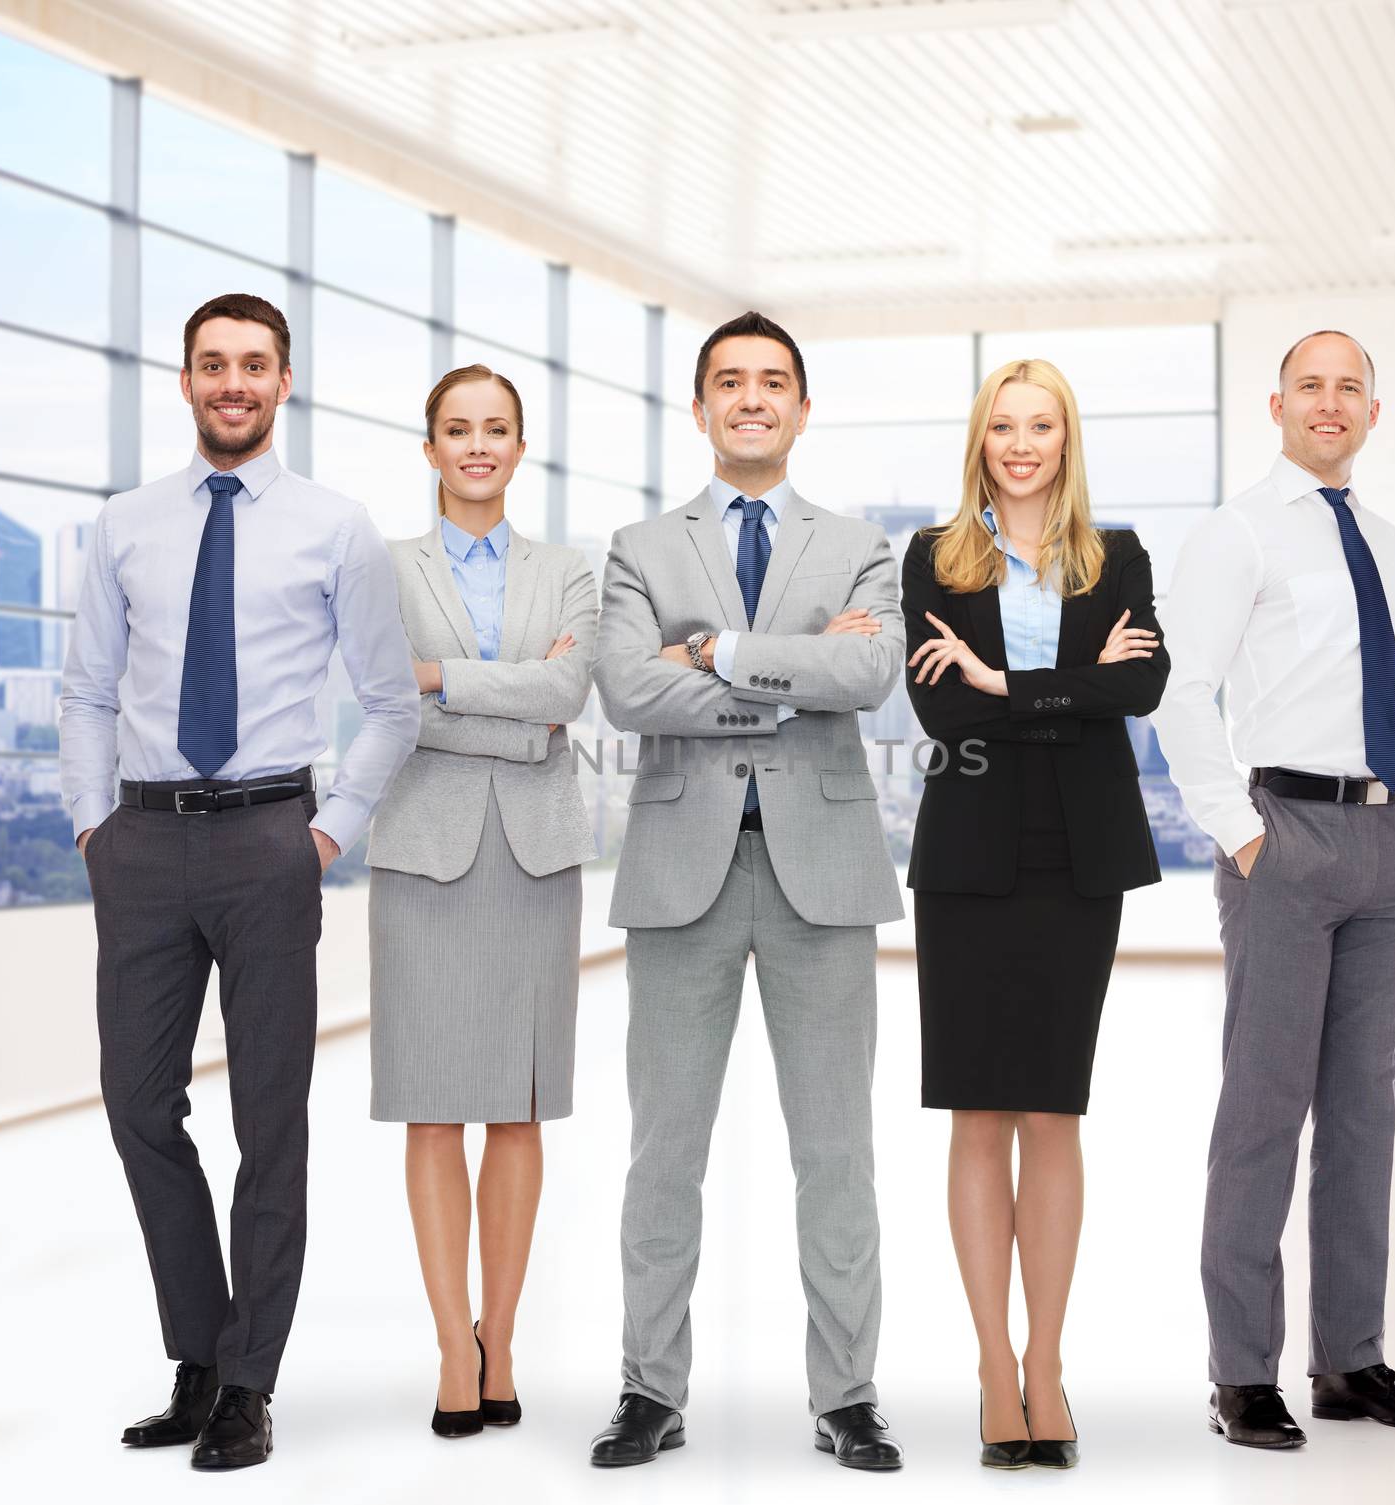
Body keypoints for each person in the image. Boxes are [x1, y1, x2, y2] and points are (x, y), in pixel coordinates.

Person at [57, 293, 419, 1470]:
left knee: (271, 1120)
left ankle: (249, 1379)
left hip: (271, 837)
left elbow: (389, 700)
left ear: (284, 380)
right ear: (185, 379)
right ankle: (197, 1352)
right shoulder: (124, 524)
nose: (233, 382)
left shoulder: (337, 527)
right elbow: (87, 694)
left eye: (253, 364)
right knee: (137, 1104)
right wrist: (91, 829)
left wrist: (327, 834)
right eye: (213, 363)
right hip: (145, 844)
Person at [587, 311, 906, 1471]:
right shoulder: (638, 542)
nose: (753, 398)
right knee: (664, 1152)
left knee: (836, 1153)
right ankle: (647, 1390)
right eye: (731, 382)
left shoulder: (862, 542)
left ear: (801, 407)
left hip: (821, 875)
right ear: (702, 405)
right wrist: (789, 670)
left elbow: (869, 672)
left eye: (773, 382)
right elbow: (625, 690)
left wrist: (713, 652)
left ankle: (850, 1393)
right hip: (684, 877)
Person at [1151, 330, 1395, 1448]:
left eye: (1350, 388)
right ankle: (1243, 1371)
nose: (1329, 404)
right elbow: (1180, 690)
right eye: (1311, 386)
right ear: (1277, 403)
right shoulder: (1237, 534)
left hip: (1390, 842)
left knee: (1365, 1111)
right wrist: (1239, 835)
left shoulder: (1389, 541)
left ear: (1374, 410)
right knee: (1263, 1110)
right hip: (1283, 837)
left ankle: (1350, 1359)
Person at [902, 359, 1169, 1471]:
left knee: (1052, 1111)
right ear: (980, 440)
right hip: (966, 855)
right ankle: (989, 1365)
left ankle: (1046, 1365)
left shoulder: (1119, 557)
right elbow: (931, 699)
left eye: (1040, 424)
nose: (1021, 443)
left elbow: (1140, 691)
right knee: (975, 1112)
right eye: (1002, 425)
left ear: (1067, 439)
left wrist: (1005, 682)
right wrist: (1065, 683)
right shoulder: (932, 557)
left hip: (1078, 858)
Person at [365, 363, 597, 1438]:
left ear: (518, 446)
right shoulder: (383, 569)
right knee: (430, 1102)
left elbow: (568, 695)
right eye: (456, 429)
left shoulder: (570, 573)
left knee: (517, 1101)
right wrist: (514, 703)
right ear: (429, 448)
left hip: (534, 856)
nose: (476, 446)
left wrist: (441, 676)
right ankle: (448, 1342)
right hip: (422, 855)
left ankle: (499, 1339)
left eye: (495, 429)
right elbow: (383, 700)